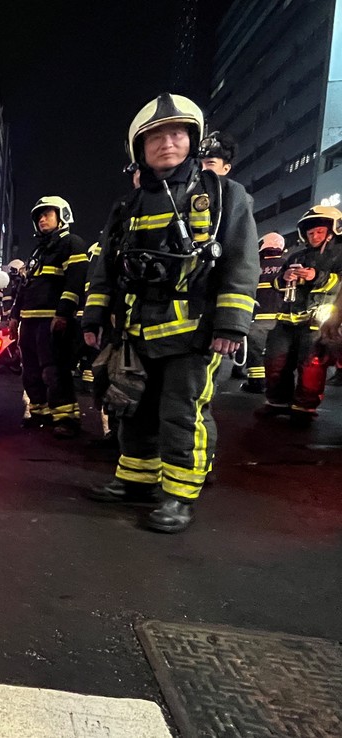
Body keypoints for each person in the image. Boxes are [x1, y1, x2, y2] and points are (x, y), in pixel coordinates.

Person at [82, 93, 259, 533]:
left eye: (177, 133)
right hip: (136, 329)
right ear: (139, 149)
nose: (167, 143)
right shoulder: (127, 206)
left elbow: (240, 262)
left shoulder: (223, 195)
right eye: (156, 137)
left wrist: (231, 324)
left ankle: (179, 495)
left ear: (193, 140)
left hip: (194, 332)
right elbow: (105, 267)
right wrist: (95, 318)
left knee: (182, 412)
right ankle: (136, 480)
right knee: (133, 407)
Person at [256, 206, 342, 425]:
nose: (314, 236)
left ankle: (304, 408)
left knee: (311, 366)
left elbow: (339, 284)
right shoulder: (296, 256)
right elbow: (276, 285)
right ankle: (277, 403)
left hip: (317, 322)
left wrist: (317, 276)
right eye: (311, 233)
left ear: (332, 230)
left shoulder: (339, 254)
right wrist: (284, 277)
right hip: (286, 319)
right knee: (275, 361)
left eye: (319, 232)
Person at [13, 196, 88, 439]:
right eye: (39, 216)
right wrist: (15, 315)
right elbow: (25, 285)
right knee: (30, 370)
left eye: (47, 214)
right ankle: (39, 412)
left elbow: (75, 282)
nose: (42, 219)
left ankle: (66, 418)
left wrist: (63, 314)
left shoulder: (72, 243)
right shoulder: (39, 250)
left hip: (51, 320)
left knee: (54, 370)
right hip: (30, 321)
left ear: (62, 215)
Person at [240, 233, 288, 393]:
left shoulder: (254, 265)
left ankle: (256, 383)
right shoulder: (289, 264)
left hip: (257, 318)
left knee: (255, 352)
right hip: (282, 319)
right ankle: (277, 385)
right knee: (278, 354)